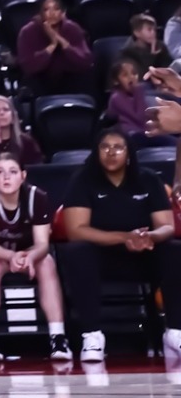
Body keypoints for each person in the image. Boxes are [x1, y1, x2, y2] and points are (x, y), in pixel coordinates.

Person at [56, 128, 181, 363]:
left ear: (129, 153)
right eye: (105, 147)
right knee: (77, 251)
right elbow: (76, 230)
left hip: (143, 256)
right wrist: (125, 237)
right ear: (96, 152)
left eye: (118, 147)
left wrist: (149, 237)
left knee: (175, 249)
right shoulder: (82, 180)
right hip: (101, 258)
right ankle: (92, 336)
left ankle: (175, 332)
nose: (111, 153)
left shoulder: (148, 179)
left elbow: (167, 226)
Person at [0, 152, 68, 361]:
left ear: (23, 175)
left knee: (47, 263)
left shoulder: (37, 197)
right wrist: (11, 256)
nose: (6, 177)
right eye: (0, 172)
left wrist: (30, 257)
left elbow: (42, 244)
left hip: (27, 253)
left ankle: (58, 338)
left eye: (13, 172)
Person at [15, 0, 94, 96]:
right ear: (39, 13)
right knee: (31, 83)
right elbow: (28, 66)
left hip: (69, 79)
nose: (52, 13)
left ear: (62, 12)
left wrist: (62, 42)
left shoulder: (72, 28)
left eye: (56, 9)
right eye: (46, 9)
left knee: (86, 78)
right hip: (40, 79)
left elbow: (86, 61)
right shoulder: (27, 31)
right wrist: (51, 46)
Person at [106, 58, 173, 151]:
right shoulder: (116, 97)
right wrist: (138, 91)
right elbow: (140, 118)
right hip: (132, 135)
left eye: (134, 74)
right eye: (125, 75)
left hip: (144, 132)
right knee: (170, 141)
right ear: (116, 81)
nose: (131, 77)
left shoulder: (134, 95)